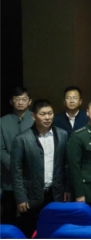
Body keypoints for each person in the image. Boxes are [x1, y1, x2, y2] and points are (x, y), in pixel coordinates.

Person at [11, 99, 70, 238]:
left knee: (56, 232)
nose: (47, 117)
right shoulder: (22, 139)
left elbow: (67, 165)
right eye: (43, 114)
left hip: (56, 194)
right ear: (33, 116)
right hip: (31, 196)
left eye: (50, 113)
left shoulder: (62, 135)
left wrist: (67, 188)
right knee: (30, 231)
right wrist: (20, 197)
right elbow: (16, 171)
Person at [0, 86, 34, 226]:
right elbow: (1, 149)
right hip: (9, 179)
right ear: (11, 101)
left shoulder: (36, 118)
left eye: (24, 99)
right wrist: (15, 167)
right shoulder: (2, 121)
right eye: (17, 99)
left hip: (32, 178)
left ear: (30, 101)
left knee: (30, 220)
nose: (20, 102)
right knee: (9, 217)